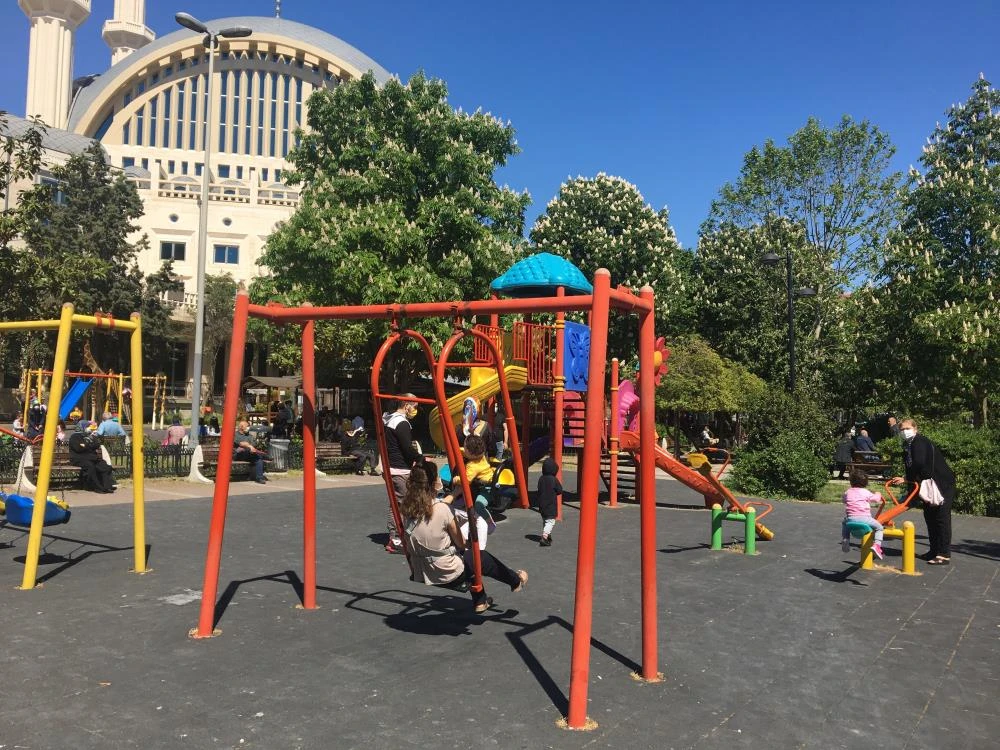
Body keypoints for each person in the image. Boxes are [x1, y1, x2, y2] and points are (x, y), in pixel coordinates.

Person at [402, 461, 527, 614]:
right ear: (433, 482)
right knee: (479, 557)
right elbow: (460, 543)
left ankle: (480, 601)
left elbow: (436, 506)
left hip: (420, 569)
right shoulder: (442, 511)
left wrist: (454, 494)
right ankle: (515, 580)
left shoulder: (408, 508)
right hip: (444, 571)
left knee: (464, 558)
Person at [901, 419, 956, 565]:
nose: (904, 431)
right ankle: (934, 550)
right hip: (929, 484)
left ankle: (943, 554)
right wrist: (909, 488)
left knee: (941, 517)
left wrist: (907, 479)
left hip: (941, 484)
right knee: (930, 517)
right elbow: (911, 466)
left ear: (915, 428)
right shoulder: (909, 444)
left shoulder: (919, 442)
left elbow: (918, 463)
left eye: (907, 428)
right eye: (902, 429)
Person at [383, 395, 423, 553]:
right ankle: (397, 538)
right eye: (414, 406)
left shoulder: (390, 419)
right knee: (402, 504)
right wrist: (419, 457)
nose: (415, 410)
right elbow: (406, 447)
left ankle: (396, 536)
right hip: (399, 468)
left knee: (396, 504)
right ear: (407, 405)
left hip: (392, 467)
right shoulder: (401, 423)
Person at [840, 469, 885, 559]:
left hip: (850, 519)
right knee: (879, 528)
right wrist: (878, 493)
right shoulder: (865, 492)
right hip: (865, 519)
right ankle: (877, 545)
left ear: (851, 482)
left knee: (844, 523)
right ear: (865, 483)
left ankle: (845, 539)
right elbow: (876, 499)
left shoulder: (848, 492)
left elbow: (843, 500)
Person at [67, 426, 115, 493]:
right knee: (91, 467)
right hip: (79, 459)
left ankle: (107, 486)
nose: (90, 429)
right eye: (87, 427)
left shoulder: (91, 437)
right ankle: (97, 487)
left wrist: (86, 445)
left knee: (104, 466)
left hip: (92, 458)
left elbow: (97, 444)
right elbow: (78, 448)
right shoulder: (75, 437)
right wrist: (90, 446)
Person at [537, 456, 562, 547]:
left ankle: (548, 535)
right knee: (550, 521)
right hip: (551, 504)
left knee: (545, 520)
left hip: (542, 504)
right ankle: (544, 537)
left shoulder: (541, 478)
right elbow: (559, 490)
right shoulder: (553, 479)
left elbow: (539, 489)